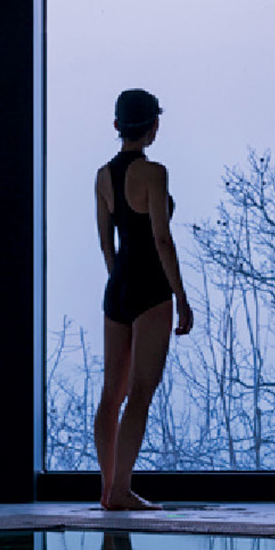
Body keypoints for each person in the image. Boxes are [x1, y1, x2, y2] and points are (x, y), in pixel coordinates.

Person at [93, 86, 193, 511]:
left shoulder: (102, 176)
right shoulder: (154, 173)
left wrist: (120, 281)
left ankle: (107, 488)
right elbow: (162, 239)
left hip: (117, 286)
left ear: (118, 125)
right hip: (151, 288)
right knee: (139, 392)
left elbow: (106, 244)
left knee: (110, 394)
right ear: (153, 126)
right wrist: (181, 296)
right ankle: (121, 490)